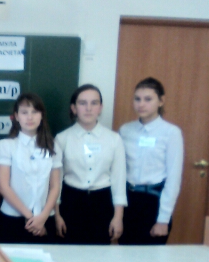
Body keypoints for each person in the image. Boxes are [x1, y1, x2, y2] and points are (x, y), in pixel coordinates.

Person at [54, 84, 126, 244]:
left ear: (100, 108)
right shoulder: (62, 139)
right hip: (71, 202)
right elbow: (56, 181)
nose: (88, 108)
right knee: (69, 252)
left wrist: (118, 217)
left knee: (99, 254)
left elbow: (119, 180)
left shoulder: (114, 139)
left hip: (102, 203)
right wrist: (57, 215)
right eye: (82, 103)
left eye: (94, 103)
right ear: (74, 108)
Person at [119, 77, 184, 245]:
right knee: (124, 253)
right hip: (128, 200)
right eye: (137, 99)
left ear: (161, 101)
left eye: (148, 99)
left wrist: (163, 219)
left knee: (150, 256)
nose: (141, 104)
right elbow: (119, 170)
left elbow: (173, 178)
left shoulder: (171, 133)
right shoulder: (126, 130)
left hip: (153, 202)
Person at [0, 93, 62, 244]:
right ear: (16, 117)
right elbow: (3, 186)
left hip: (45, 218)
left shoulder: (53, 145)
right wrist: (30, 217)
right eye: (24, 112)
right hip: (13, 218)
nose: (29, 117)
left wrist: (43, 217)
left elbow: (55, 186)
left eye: (34, 112)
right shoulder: (6, 145)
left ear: (42, 115)